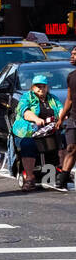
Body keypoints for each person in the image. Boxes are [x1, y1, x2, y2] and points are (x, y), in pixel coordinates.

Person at [13, 75, 63, 191]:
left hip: (49, 131)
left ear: (47, 87)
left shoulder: (52, 99)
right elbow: (25, 112)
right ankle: (30, 178)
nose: (41, 89)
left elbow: (61, 110)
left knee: (65, 138)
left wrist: (61, 119)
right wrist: (37, 119)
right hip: (28, 131)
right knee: (27, 143)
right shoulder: (26, 98)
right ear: (32, 87)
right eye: (38, 86)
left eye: (43, 86)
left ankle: (62, 171)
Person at [55, 45, 76, 189]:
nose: (72, 56)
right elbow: (69, 99)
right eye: (72, 53)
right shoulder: (71, 76)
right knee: (71, 148)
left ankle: (64, 178)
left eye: (75, 54)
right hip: (73, 118)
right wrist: (61, 118)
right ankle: (62, 179)